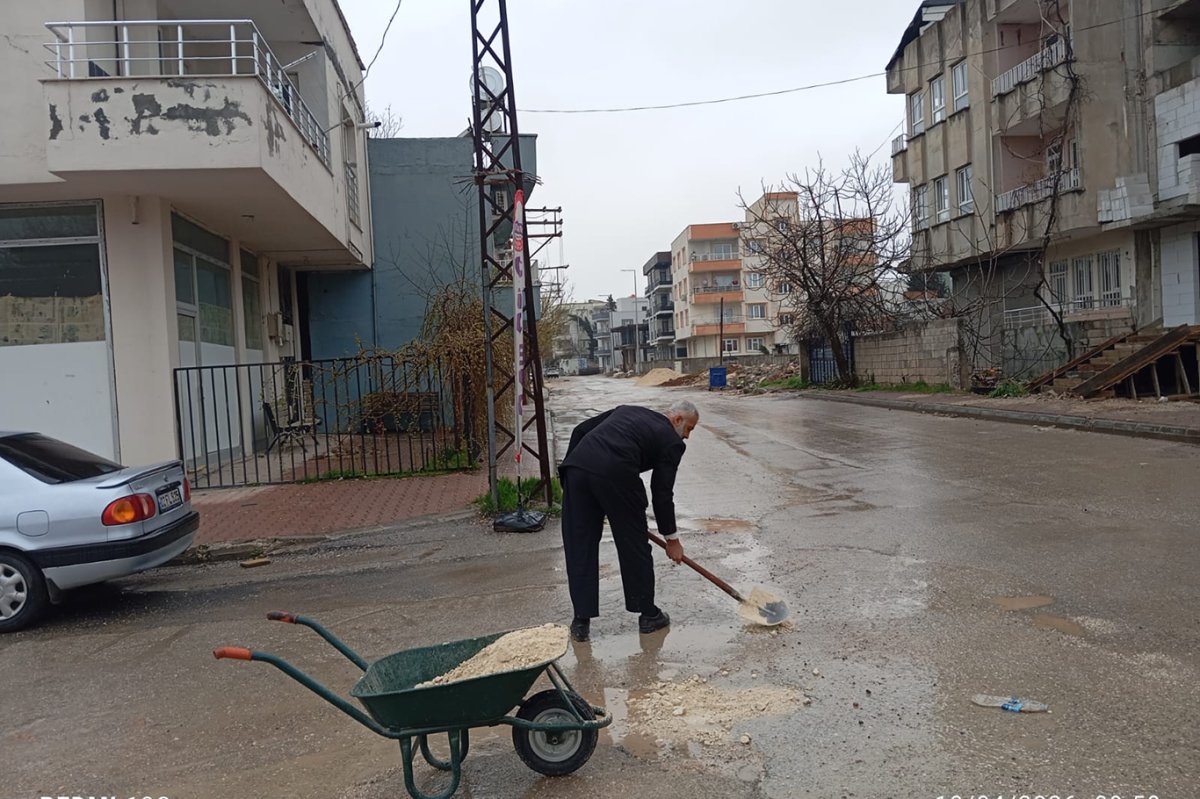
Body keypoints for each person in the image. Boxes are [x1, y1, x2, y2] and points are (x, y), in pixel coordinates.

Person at [558, 399, 699, 642]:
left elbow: (580, 430)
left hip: (577, 470)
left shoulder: (627, 410)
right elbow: (662, 493)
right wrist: (671, 539)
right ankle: (648, 615)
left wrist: (573, 478)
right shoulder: (672, 442)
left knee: (579, 545)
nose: (686, 436)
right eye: (688, 429)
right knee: (633, 545)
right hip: (617, 474)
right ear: (677, 419)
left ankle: (581, 621)